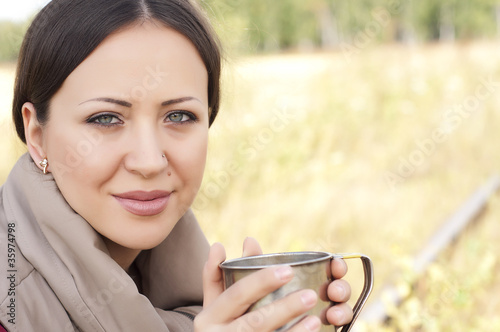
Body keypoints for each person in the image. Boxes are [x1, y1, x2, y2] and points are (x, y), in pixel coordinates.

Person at [0, 0, 353, 331]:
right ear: (37, 134)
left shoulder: (199, 290)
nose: (150, 161)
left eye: (179, 115)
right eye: (106, 118)